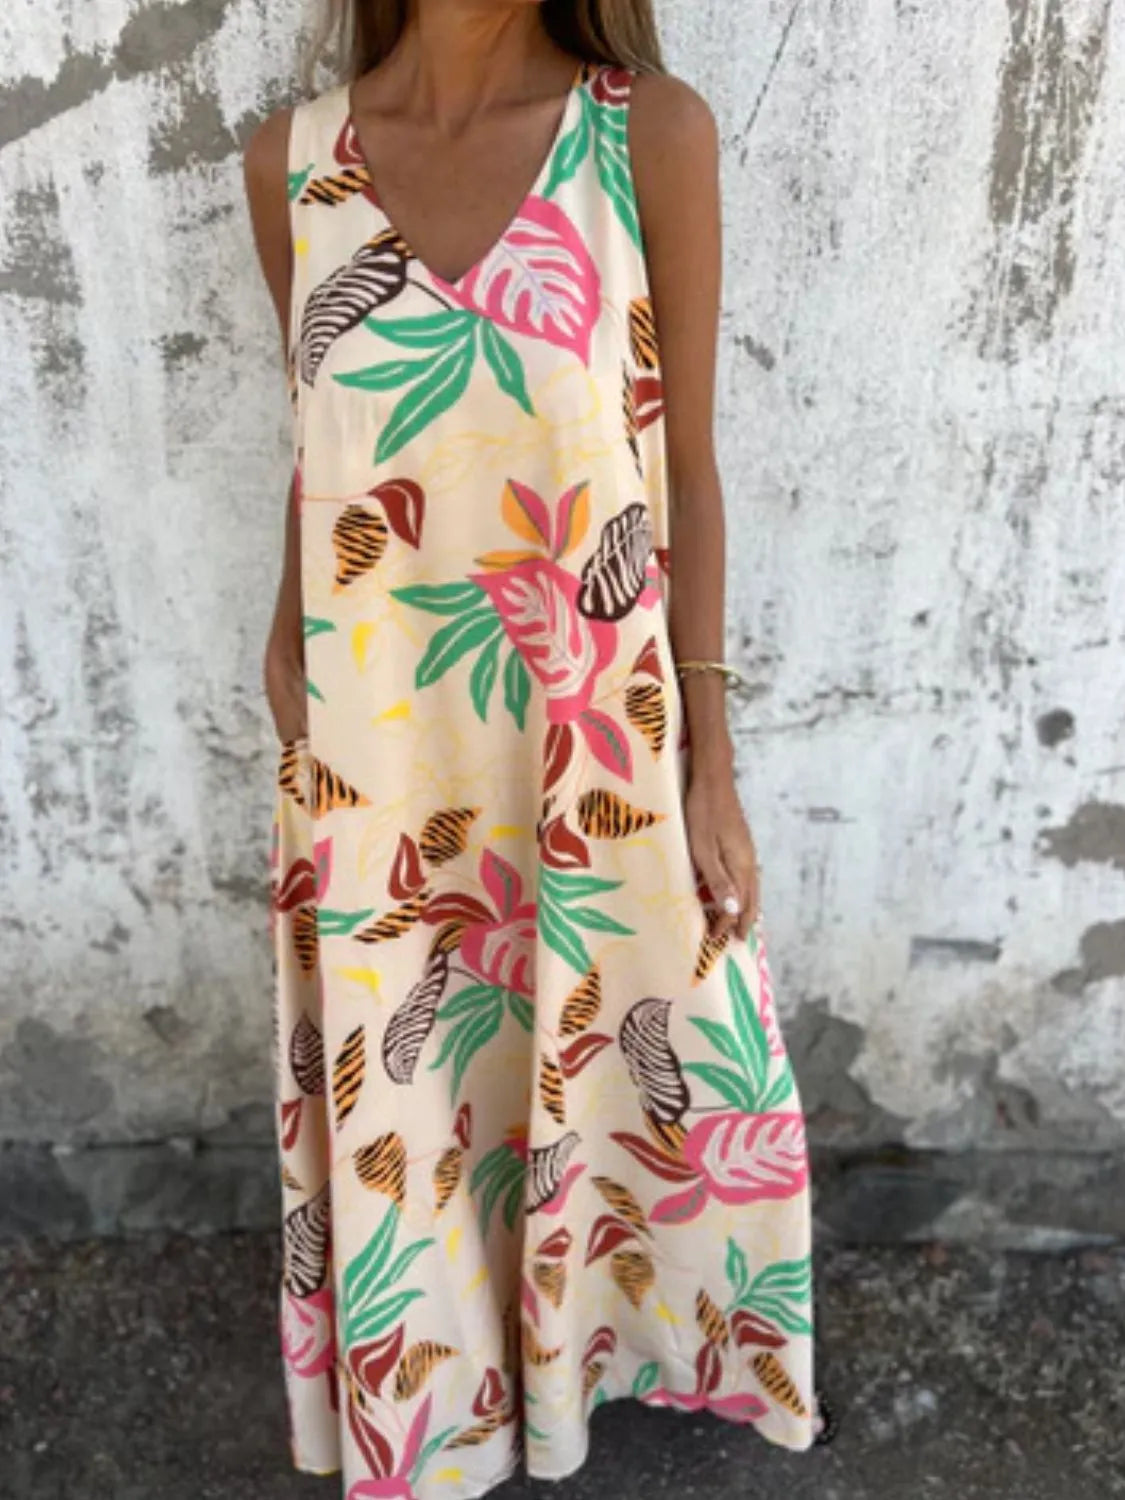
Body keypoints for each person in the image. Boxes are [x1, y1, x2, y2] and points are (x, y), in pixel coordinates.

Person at [244, 2, 833, 1493]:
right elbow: (321, 436)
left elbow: (684, 465)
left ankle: (587, 1370)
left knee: (659, 1046)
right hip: (383, 736)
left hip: (592, 740)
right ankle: (442, 1414)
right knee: (416, 1078)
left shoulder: (644, 135)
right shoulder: (292, 164)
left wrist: (710, 752)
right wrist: (285, 632)